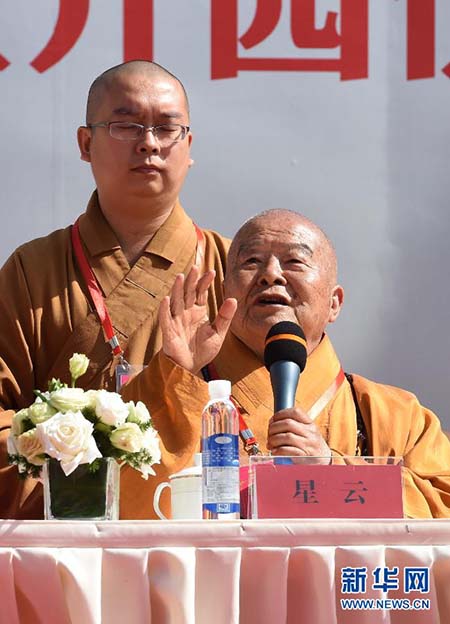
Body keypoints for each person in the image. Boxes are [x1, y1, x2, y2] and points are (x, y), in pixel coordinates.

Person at [0, 60, 229, 518]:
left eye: (167, 129)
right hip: (65, 533)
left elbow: (258, 419)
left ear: (188, 146)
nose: (148, 143)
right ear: (86, 143)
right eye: (126, 125)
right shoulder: (32, 269)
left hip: (198, 531)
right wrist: (67, 478)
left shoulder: (227, 266)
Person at [122, 209, 450, 519]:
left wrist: (332, 469)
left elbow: (441, 504)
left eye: (294, 260)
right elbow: (121, 502)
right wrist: (176, 375)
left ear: (334, 303)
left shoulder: (395, 414)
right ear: (225, 294)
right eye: (251, 261)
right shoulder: (173, 385)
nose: (270, 275)